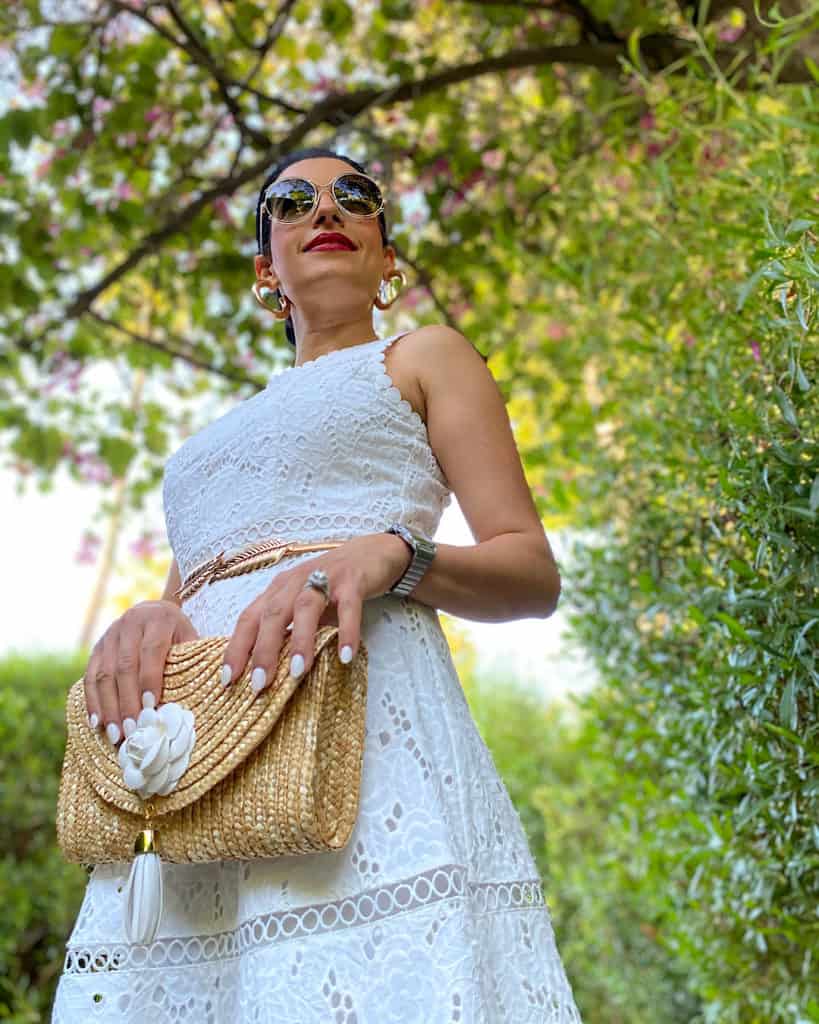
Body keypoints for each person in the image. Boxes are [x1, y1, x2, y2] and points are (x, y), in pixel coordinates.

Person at [51, 146, 583, 1022]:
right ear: (268, 269)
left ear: (386, 257)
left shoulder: (424, 356)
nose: (325, 210)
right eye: (293, 201)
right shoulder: (214, 439)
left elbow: (529, 571)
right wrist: (151, 611)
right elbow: (198, 588)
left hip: (370, 733)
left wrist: (394, 554)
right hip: (208, 756)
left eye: (355, 198)